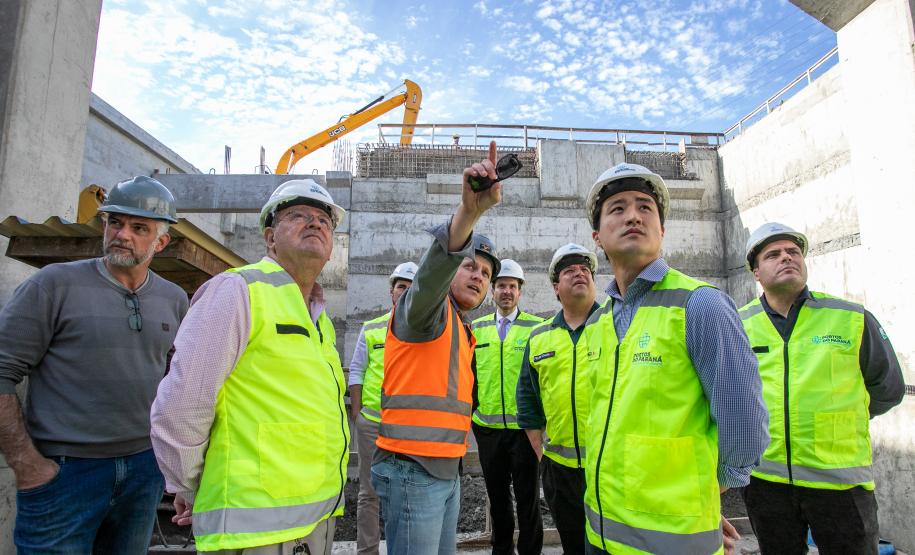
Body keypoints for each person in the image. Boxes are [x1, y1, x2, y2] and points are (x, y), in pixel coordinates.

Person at [150, 179, 348, 554]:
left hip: (314, 521)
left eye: (324, 219)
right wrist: (192, 485)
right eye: (298, 215)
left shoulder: (319, 318)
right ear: (270, 238)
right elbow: (183, 404)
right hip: (253, 532)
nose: (315, 223)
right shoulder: (237, 291)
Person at [581, 163, 769, 555]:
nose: (633, 215)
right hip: (599, 535)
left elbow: (745, 427)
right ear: (597, 236)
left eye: (645, 207)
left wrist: (702, 498)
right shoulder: (598, 321)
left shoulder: (700, 305)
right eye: (617, 208)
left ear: (662, 230)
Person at [0, 176, 187, 554]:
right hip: (65, 473)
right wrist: (27, 464)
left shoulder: (174, 298)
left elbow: (177, 383)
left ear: (161, 241)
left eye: (139, 228)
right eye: (114, 222)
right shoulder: (54, 285)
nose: (122, 235)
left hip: (143, 471)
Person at [738, 222, 905, 555]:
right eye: (773, 254)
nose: (786, 258)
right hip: (766, 484)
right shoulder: (738, 325)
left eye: (793, 252)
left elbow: (888, 388)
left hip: (840, 485)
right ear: (756, 272)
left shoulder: (851, 317)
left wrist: (842, 416)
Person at [371, 141, 503, 555]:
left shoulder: (463, 330)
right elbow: (433, 270)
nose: (479, 276)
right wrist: (470, 212)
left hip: (445, 472)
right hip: (413, 472)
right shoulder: (425, 311)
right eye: (469, 265)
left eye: (486, 273)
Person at [517, 243, 600, 555]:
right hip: (559, 470)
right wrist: (543, 453)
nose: (579, 273)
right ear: (556, 287)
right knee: (573, 545)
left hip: (608, 466)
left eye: (585, 270)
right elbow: (527, 399)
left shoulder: (616, 326)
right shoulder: (539, 337)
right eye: (569, 271)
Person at [470, 259, 544, 555]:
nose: (506, 291)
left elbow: (544, 379)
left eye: (512, 286)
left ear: (519, 292)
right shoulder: (476, 329)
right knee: (497, 498)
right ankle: (502, 550)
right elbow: (469, 376)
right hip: (488, 431)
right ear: (492, 290)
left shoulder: (536, 328)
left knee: (528, 500)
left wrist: (541, 423)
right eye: (501, 286)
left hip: (524, 430)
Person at [348, 261, 417, 555]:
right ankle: (368, 551)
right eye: (401, 286)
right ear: (392, 291)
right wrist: (360, 415)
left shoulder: (422, 331)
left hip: (407, 427)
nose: (405, 292)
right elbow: (356, 372)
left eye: (411, 288)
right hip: (372, 425)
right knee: (369, 493)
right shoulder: (372, 328)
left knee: (405, 493)